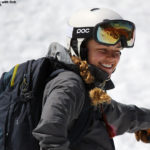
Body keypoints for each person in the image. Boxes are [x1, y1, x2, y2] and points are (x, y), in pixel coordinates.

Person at [32, 8, 150, 150]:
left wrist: (146, 121)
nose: (112, 58)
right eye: (102, 50)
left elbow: (117, 115)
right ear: (79, 48)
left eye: (117, 52)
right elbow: (49, 135)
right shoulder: (69, 86)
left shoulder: (87, 88)